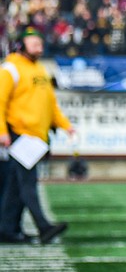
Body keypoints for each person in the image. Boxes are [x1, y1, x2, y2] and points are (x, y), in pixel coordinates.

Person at [0, 28, 73, 245]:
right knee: (28, 182)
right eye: (33, 43)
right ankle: (44, 226)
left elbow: (51, 105)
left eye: (40, 43)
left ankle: (7, 229)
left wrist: (65, 126)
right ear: (21, 45)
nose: (38, 47)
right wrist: (2, 131)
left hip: (35, 137)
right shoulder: (10, 69)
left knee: (15, 185)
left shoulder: (41, 70)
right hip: (18, 134)